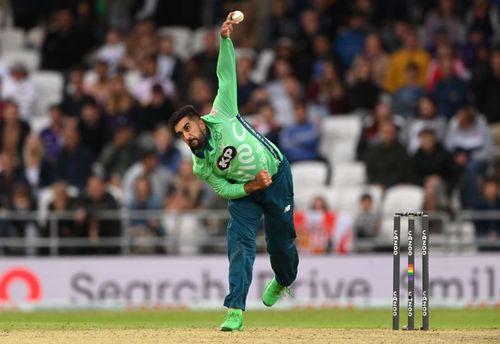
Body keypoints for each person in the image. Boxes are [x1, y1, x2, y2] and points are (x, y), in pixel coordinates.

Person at [168, 14, 299, 332]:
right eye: (181, 135)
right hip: (245, 192)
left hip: (277, 175)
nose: (187, 136)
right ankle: (235, 311)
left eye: (187, 128)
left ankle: (283, 280)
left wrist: (225, 40)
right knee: (239, 244)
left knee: (281, 244)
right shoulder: (201, 165)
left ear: (198, 120)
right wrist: (251, 185)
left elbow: (225, 76)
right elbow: (225, 190)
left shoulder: (222, 112)